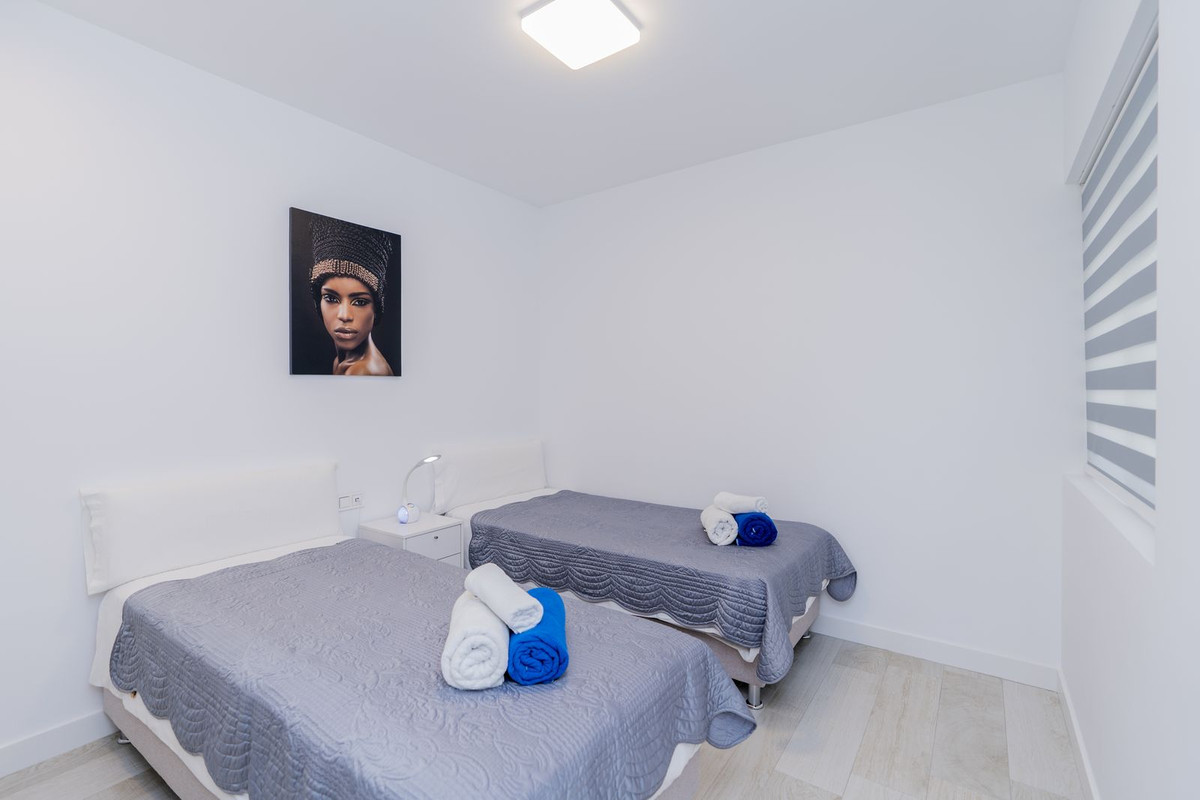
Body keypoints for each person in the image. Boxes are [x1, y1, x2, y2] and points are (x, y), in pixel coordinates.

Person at [309, 215, 394, 376]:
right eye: (331, 298)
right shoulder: (342, 363)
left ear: (376, 307)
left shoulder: (362, 370)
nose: (344, 315)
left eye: (360, 302)